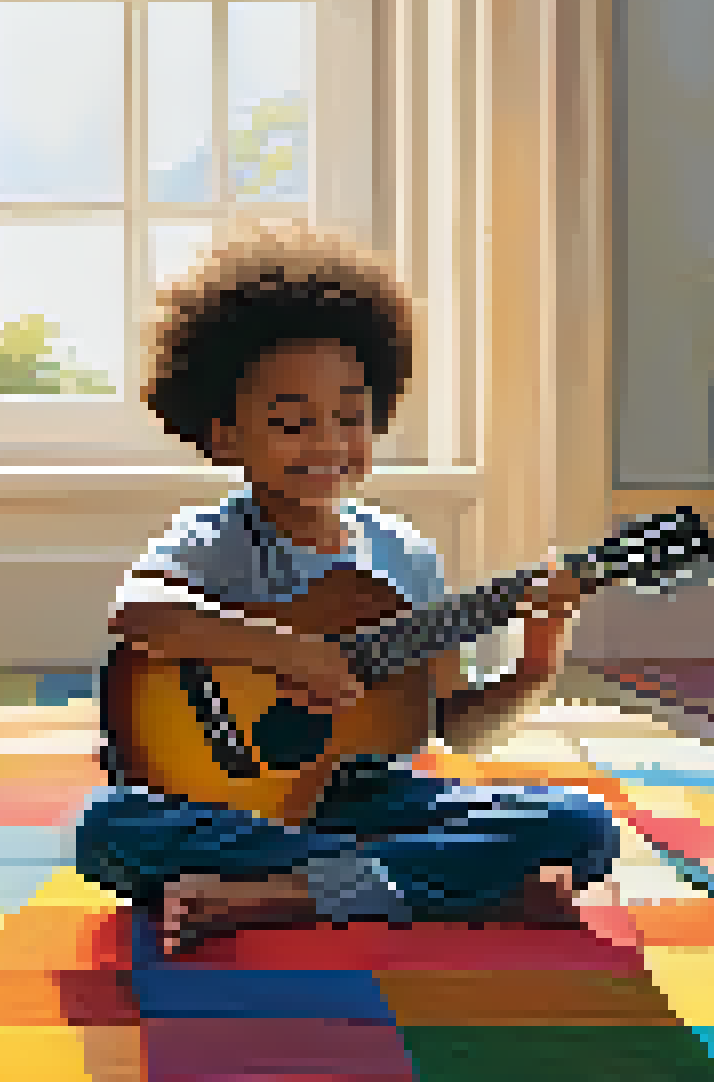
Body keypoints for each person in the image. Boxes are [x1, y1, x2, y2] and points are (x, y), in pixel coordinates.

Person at [74, 218, 620, 958]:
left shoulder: (406, 557)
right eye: (293, 423)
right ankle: (439, 887)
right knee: (110, 830)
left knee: (581, 827)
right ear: (225, 434)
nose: (328, 443)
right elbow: (139, 612)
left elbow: (451, 725)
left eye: (349, 419)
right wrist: (286, 653)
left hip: (362, 797)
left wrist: (536, 658)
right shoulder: (216, 537)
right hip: (214, 799)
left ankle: (281, 894)